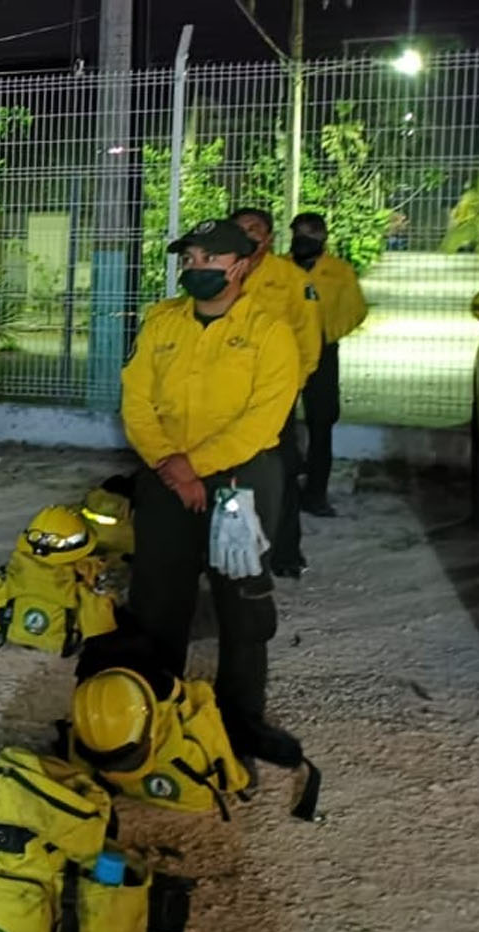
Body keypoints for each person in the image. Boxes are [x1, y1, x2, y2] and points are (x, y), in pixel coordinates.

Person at [121, 218, 303, 773]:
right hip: (165, 475)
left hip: (240, 482)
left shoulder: (270, 332)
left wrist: (192, 466)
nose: (196, 268)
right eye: (190, 259)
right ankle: (156, 711)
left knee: (242, 601)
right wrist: (169, 464)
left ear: (241, 265)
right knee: (157, 598)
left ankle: (240, 721)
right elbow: (136, 400)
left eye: (210, 259)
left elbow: (263, 420)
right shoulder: (162, 322)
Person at [230, 207, 323, 577]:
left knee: (279, 472)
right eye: (239, 229)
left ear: (268, 238)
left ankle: (284, 554)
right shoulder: (220, 273)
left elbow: (308, 341)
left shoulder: (292, 280)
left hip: (274, 397)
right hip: (225, 393)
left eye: (254, 229)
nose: (247, 235)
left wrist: (289, 388)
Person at [289, 211, 370, 517]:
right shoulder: (278, 269)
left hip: (323, 352)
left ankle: (316, 495)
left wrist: (325, 334)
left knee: (321, 423)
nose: (303, 239)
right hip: (282, 352)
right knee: (276, 422)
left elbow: (355, 311)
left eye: (310, 233)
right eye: (298, 232)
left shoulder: (340, 272)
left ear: (323, 237)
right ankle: (283, 491)